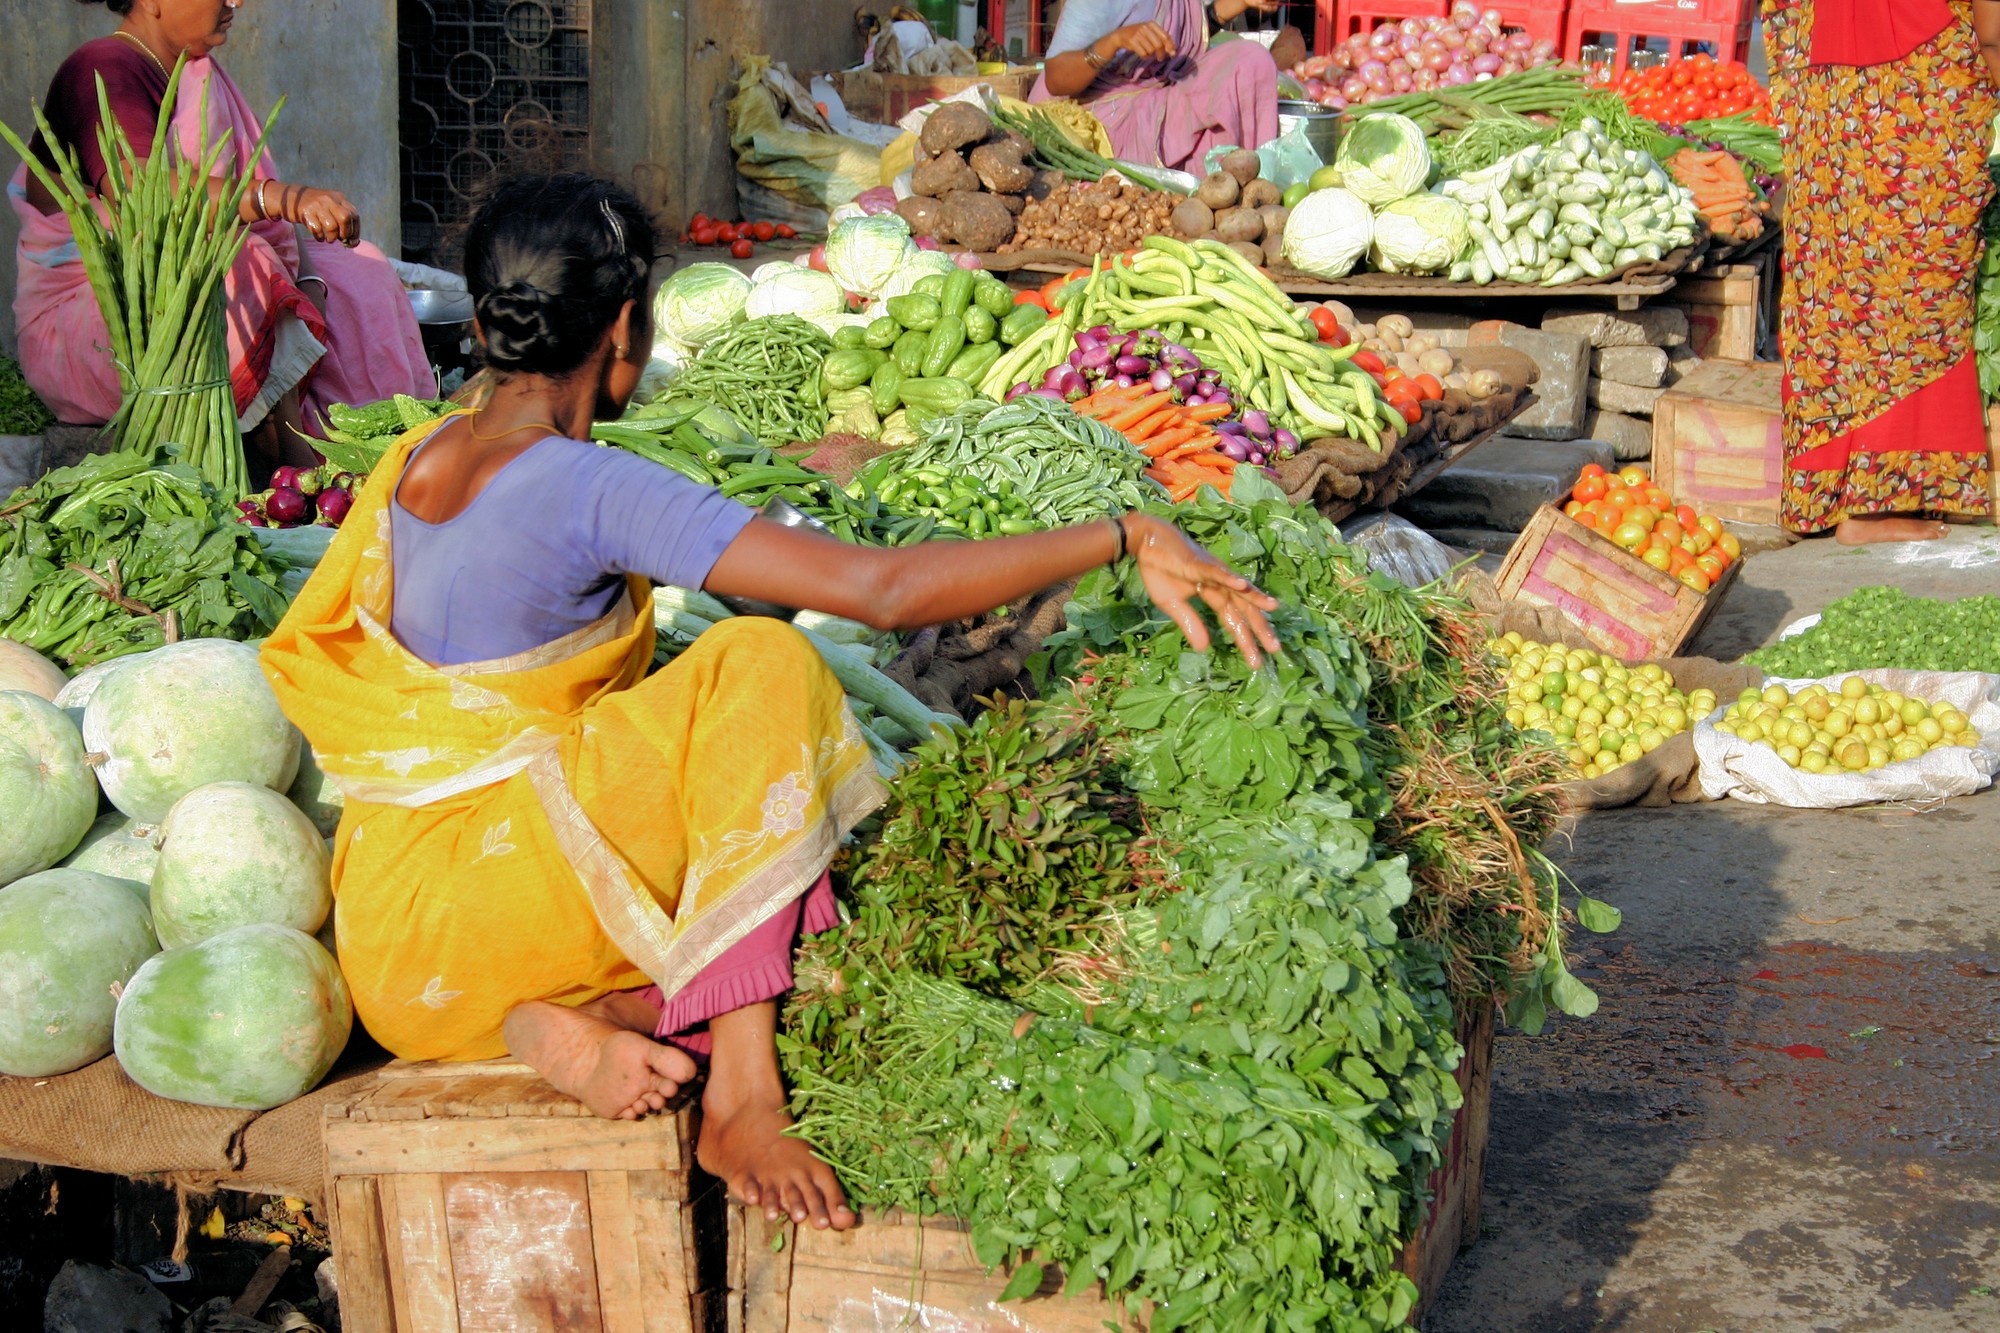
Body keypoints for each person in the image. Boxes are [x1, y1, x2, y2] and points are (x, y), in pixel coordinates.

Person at [259, 174, 1280, 1232]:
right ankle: (741, 1095)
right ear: (624, 330)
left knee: (680, 750)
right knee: (758, 664)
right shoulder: (590, 486)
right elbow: (879, 590)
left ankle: (568, 1017)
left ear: (482, 322)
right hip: (505, 909)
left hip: (399, 950)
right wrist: (1125, 533)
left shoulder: (412, 459)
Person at [11, 0, 434, 465]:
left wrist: (309, 284)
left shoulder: (197, 73)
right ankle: (294, 460)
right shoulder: (99, 68)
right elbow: (140, 192)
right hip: (92, 326)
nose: (236, 1)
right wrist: (284, 196)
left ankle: (376, 451)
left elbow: (266, 222)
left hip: (181, 288)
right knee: (238, 261)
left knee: (362, 270)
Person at [1764, 0, 2000, 543]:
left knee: (1837, 274)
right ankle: (1873, 505)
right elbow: (1992, 35)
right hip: (1920, 91)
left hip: (1829, 84)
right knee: (1921, 284)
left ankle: (1845, 494)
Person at [1031, 0, 1284, 174]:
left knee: (1250, 62)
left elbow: (1173, 39)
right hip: (1100, 119)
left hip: (1156, 96)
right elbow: (1056, 78)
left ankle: (1247, 192)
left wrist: (1223, 10)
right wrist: (1113, 42)